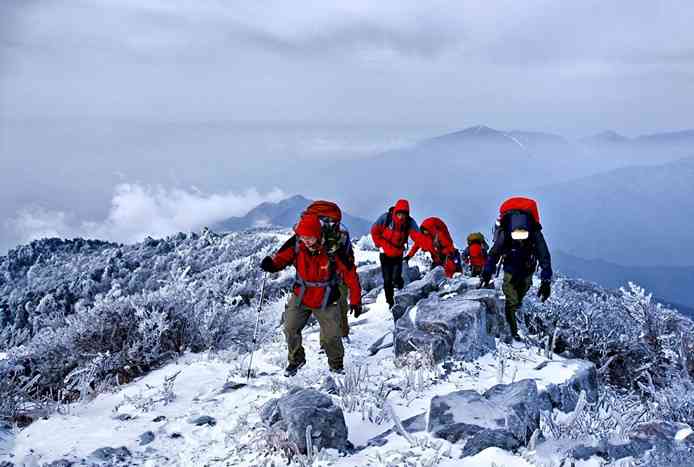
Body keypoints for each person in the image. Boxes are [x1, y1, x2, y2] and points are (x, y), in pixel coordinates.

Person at [260, 214, 362, 376]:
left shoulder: (333, 248)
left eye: (309, 237)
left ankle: (336, 365)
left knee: (331, 337)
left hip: (326, 298)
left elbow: (350, 275)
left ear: (318, 234)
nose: (305, 240)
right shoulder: (296, 244)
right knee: (290, 328)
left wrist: (356, 300)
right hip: (301, 295)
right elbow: (281, 259)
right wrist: (271, 265)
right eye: (302, 237)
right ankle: (296, 360)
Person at [480, 197, 552, 342]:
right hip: (526, 271)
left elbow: (494, 253)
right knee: (513, 301)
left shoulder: (506, 232)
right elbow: (544, 254)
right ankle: (512, 333)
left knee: (515, 301)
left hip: (512, 270)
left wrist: (487, 272)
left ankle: (511, 326)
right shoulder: (534, 232)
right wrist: (546, 280)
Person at [302, 200, 356, 340]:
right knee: (327, 309)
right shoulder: (309, 233)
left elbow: (347, 258)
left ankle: (342, 334)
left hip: (337, 276)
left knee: (340, 306)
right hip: (321, 278)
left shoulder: (341, 234)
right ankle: (326, 342)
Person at [371, 199, 427, 308]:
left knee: (396, 278)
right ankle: (390, 303)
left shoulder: (409, 222)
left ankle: (401, 293)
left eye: (404, 214)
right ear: (396, 212)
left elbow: (417, 236)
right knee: (387, 280)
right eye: (399, 214)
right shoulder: (386, 218)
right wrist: (380, 245)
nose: (401, 217)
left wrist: (426, 245)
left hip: (398, 254)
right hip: (385, 254)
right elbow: (374, 231)